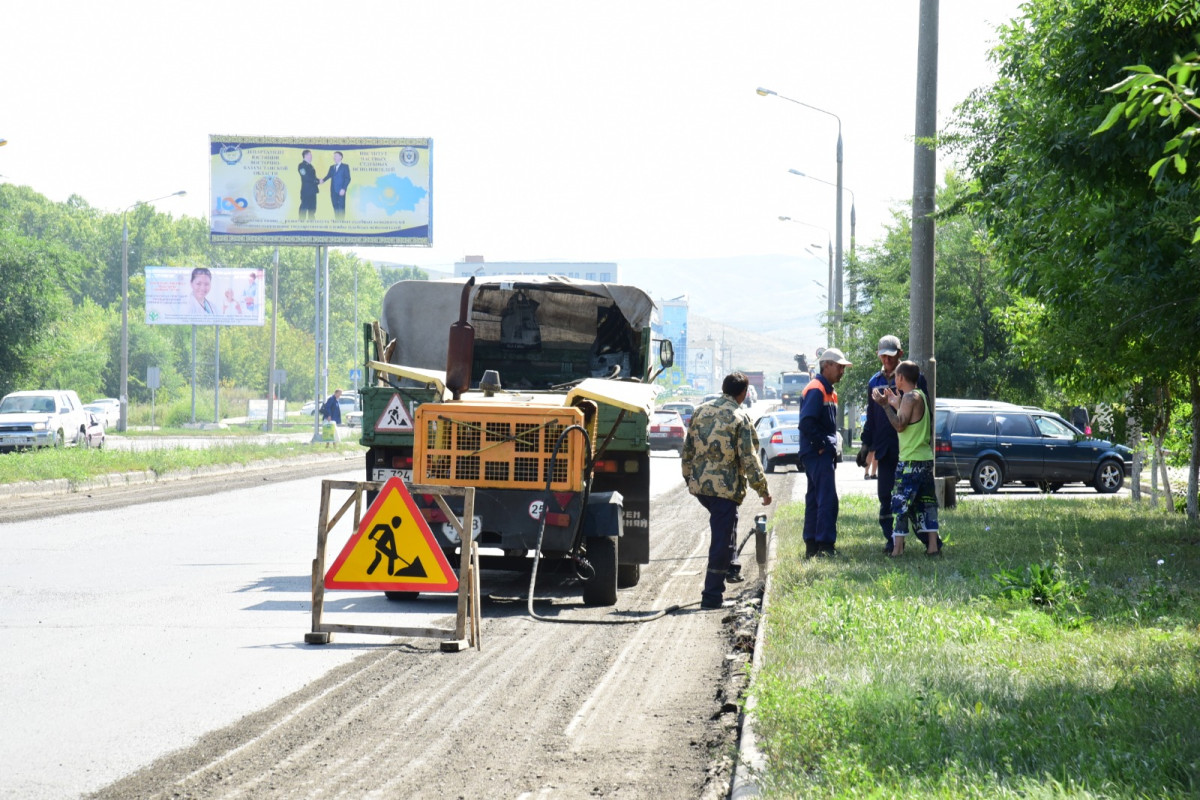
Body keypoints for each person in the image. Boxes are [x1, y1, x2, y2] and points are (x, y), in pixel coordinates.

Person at [682, 372, 772, 610]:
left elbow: (688, 447)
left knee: (728, 521)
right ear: (742, 394)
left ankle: (732, 566)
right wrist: (762, 489)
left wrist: (687, 476)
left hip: (701, 487)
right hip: (724, 489)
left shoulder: (700, 410)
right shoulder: (740, 417)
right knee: (721, 539)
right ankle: (711, 596)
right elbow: (749, 458)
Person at [860, 335, 927, 554]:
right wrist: (865, 445)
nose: (887, 360)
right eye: (883, 356)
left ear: (900, 353)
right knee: (886, 496)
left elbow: (925, 414)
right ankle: (892, 541)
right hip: (886, 448)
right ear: (878, 355)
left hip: (910, 448)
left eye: (891, 355)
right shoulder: (874, 382)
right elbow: (871, 417)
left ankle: (929, 540)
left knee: (916, 497)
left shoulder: (916, 378)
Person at [873, 360, 941, 556]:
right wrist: (895, 402)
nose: (894, 380)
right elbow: (910, 416)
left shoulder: (910, 397)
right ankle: (933, 547)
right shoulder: (919, 396)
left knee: (900, 504)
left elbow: (900, 425)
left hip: (910, 461)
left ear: (901, 377)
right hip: (925, 459)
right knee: (927, 503)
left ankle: (897, 549)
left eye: (896, 376)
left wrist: (886, 406)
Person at [799, 347, 852, 558]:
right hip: (817, 453)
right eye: (839, 367)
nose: (842, 371)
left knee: (815, 499)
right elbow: (806, 422)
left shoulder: (828, 390)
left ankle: (812, 545)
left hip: (817, 453)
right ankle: (825, 546)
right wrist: (821, 444)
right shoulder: (817, 388)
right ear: (826, 365)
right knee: (827, 499)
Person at [321, 151, 351, 219]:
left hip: (341, 190)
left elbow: (348, 178)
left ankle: (342, 224)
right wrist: (322, 180)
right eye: (334, 156)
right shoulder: (331, 167)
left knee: (341, 207)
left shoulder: (345, 166)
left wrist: (344, 189)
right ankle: (337, 222)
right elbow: (328, 176)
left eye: (336, 156)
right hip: (333, 190)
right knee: (335, 206)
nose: (334, 157)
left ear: (340, 157)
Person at [297, 149, 320, 219]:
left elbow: (313, 177)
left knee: (312, 209)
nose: (311, 156)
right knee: (303, 209)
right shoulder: (301, 165)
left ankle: (312, 226)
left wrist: (318, 180)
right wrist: (317, 181)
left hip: (313, 191)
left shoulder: (311, 166)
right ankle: (301, 225)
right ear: (305, 156)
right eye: (310, 155)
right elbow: (306, 177)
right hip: (306, 191)